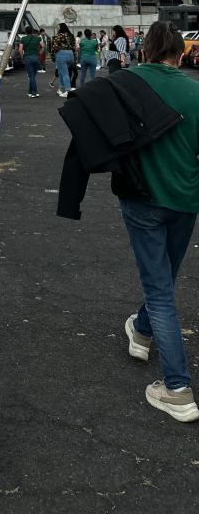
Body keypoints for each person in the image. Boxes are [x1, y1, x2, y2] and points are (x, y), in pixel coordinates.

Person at [120, 22, 199, 422]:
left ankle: (178, 388)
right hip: (185, 198)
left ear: (145, 49)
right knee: (163, 277)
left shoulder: (125, 81)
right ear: (181, 53)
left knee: (160, 288)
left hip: (141, 196)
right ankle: (142, 332)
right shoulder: (195, 90)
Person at [51, 23, 76, 98]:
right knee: (61, 72)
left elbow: (54, 47)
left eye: (58, 27)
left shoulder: (58, 36)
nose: (57, 29)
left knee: (64, 73)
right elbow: (74, 46)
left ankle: (67, 90)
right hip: (70, 54)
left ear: (61, 28)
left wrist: (53, 56)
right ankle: (61, 89)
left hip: (61, 54)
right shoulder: (70, 35)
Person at [19, 26, 42, 97]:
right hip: (36, 57)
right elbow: (43, 46)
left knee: (31, 76)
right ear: (32, 31)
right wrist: (39, 53)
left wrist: (22, 58)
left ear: (25, 32)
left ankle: (35, 92)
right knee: (33, 76)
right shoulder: (38, 38)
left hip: (28, 58)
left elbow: (20, 49)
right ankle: (30, 91)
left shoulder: (23, 39)